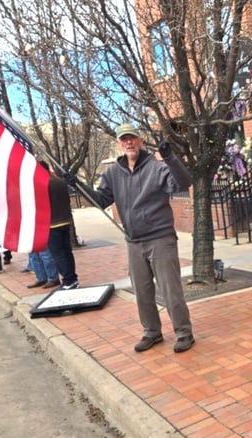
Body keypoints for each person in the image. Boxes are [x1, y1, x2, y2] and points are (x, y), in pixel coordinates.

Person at [64, 124, 195, 353]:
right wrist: (77, 185)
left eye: (132, 138)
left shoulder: (157, 167)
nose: (129, 143)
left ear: (140, 140)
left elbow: (183, 183)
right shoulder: (113, 173)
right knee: (142, 291)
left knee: (170, 290)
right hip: (133, 241)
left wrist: (170, 157)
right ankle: (152, 332)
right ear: (119, 143)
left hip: (160, 238)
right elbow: (101, 200)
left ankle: (184, 332)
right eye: (124, 139)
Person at [42, 161, 79, 290]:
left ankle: (68, 280)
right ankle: (73, 278)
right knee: (67, 252)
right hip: (65, 220)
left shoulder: (42, 184)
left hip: (52, 224)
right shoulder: (59, 181)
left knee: (58, 254)